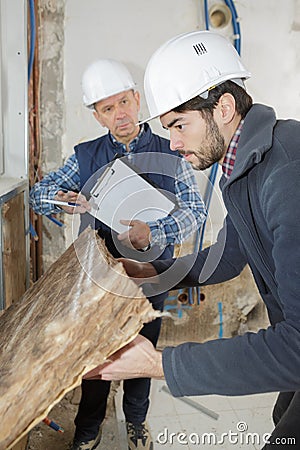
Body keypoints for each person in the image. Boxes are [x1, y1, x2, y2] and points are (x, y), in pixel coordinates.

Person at [88, 31, 300, 449]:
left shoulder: (287, 176)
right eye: (169, 128)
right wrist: (151, 270)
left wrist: (159, 364)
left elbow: (296, 348)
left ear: (222, 108)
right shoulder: (243, 165)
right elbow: (228, 258)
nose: (173, 142)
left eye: (180, 125)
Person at [29, 58, 206, 450]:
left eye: (124, 102)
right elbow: (38, 195)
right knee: (96, 354)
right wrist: (62, 199)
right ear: (97, 116)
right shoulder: (86, 155)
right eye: (108, 108)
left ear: (137, 100)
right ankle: (88, 430)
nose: (120, 114)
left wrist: (154, 233)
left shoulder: (171, 150)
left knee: (142, 349)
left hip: (151, 273)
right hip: (98, 277)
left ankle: (136, 424)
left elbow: (195, 212)